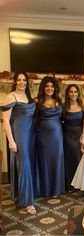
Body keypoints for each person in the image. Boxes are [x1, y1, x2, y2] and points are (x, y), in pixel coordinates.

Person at [1, 72, 36, 214]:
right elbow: (6, 121)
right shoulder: (11, 96)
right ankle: (27, 202)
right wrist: (11, 140)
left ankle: (22, 195)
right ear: (15, 82)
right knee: (24, 166)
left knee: (27, 166)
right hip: (19, 136)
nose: (22, 82)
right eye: (19, 80)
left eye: (24, 80)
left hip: (30, 136)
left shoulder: (28, 97)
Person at [35, 76, 65, 197]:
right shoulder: (37, 101)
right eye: (47, 86)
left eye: (52, 86)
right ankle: (45, 189)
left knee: (56, 160)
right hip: (42, 136)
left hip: (57, 136)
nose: (49, 88)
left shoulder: (59, 101)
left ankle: (56, 189)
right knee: (44, 160)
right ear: (43, 88)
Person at [63, 84, 83, 192]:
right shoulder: (64, 106)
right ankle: (69, 184)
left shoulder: (81, 105)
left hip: (79, 134)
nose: (73, 94)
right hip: (67, 135)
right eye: (71, 92)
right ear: (67, 93)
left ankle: (79, 184)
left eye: (75, 92)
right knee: (69, 159)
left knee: (78, 159)